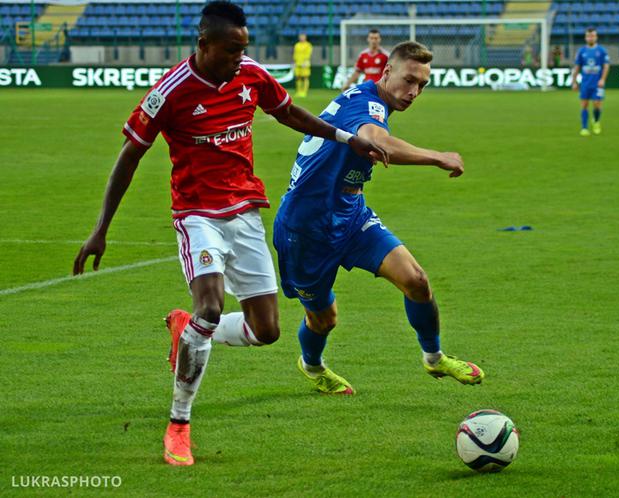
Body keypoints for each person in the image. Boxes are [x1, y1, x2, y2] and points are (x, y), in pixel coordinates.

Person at [72, 1, 386, 467]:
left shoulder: (251, 75)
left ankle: (187, 328)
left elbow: (290, 113)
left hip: (245, 213)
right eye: (231, 50)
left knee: (268, 331)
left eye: (244, 49)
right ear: (203, 44)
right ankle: (179, 424)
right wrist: (100, 230)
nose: (240, 57)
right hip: (197, 213)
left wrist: (346, 138)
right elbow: (128, 156)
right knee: (211, 307)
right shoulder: (170, 91)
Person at [272, 41, 485, 396]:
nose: (414, 91)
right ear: (386, 73)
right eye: (409, 80)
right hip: (305, 228)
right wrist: (437, 156)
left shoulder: (374, 101)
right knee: (324, 319)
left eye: (422, 85)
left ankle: (434, 358)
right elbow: (375, 141)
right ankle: (312, 365)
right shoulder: (366, 102)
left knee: (416, 281)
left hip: (351, 215)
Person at [571, 27, 610, 136]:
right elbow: (577, 67)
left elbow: (606, 66)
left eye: (592, 36)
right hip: (585, 83)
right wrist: (574, 82)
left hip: (597, 84)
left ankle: (596, 121)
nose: (590, 38)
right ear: (585, 37)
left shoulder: (601, 51)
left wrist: (602, 79)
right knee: (584, 104)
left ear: (596, 37)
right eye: (588, 36)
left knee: (597, 104)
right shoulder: (581, 51)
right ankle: (584, 128)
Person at [293, 32, 313, 97]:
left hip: (305, 63)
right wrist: (295, 62)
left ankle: (304, 92)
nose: (301, 38)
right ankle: (299, 91)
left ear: (305, 37)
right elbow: (295, 54)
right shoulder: (297, 45)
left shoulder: (308, 45)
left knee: (305, 77)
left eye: (303, 36)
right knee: (298, 77)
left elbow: (308, 54)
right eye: (300, 37)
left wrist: (305, 61)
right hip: (297, 63)